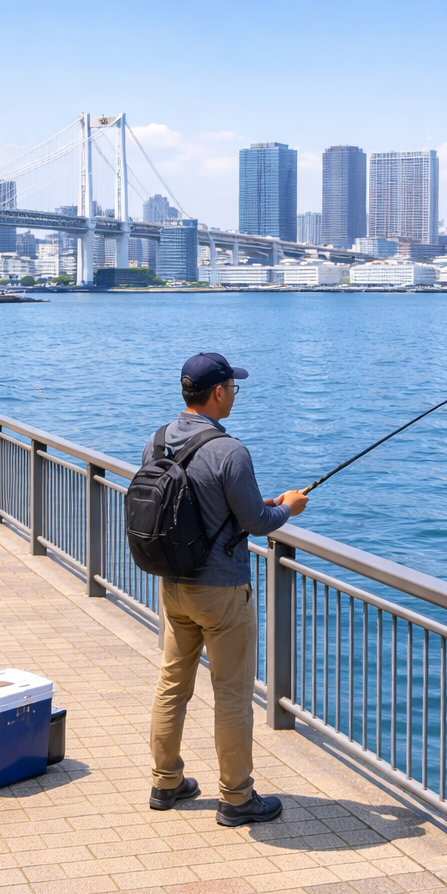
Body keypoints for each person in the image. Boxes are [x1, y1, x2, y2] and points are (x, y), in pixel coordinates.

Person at [144, 352, 308, 827]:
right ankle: (236, 797)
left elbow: (191, 504)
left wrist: (259, 504)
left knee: (172, 684)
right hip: (221, 591)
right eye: (233, 387)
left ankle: (165, 782)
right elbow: (256, 523)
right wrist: (289, 508)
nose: (235, 393)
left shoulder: (156, 442)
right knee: (232, 693)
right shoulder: (230, 451)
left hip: (173, 584)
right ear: (218, 392)